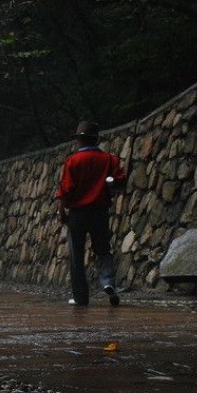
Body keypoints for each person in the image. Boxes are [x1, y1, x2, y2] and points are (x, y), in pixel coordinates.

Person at [56, 121, 126, 306]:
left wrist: (61, 210)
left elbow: (66, 189)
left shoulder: (72, 161)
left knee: (76, 255)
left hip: (77, 214)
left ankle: (80, 297)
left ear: (80, 140)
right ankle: (108, 283)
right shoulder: (109, 159)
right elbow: (120, 179)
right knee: (103, 250)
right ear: (96, 139)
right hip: (100, 212)